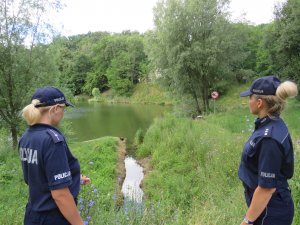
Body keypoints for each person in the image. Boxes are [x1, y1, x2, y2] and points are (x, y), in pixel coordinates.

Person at [19, 86, 91, 225]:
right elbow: (60, 195)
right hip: (54, 217)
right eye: (64, 109)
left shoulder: (26, 137)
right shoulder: (52, 140)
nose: (63, 113)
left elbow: (36, 177)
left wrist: (75, 179)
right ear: (55, 109)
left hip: (32, 216)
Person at [238, 75, 298, 225]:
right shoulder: (271, 124)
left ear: (259, 102)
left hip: (270, 212)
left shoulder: (269, 139)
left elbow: (266, 188)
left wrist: (247, 221)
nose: (248, 101)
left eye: (250, 97)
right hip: (268, 206)